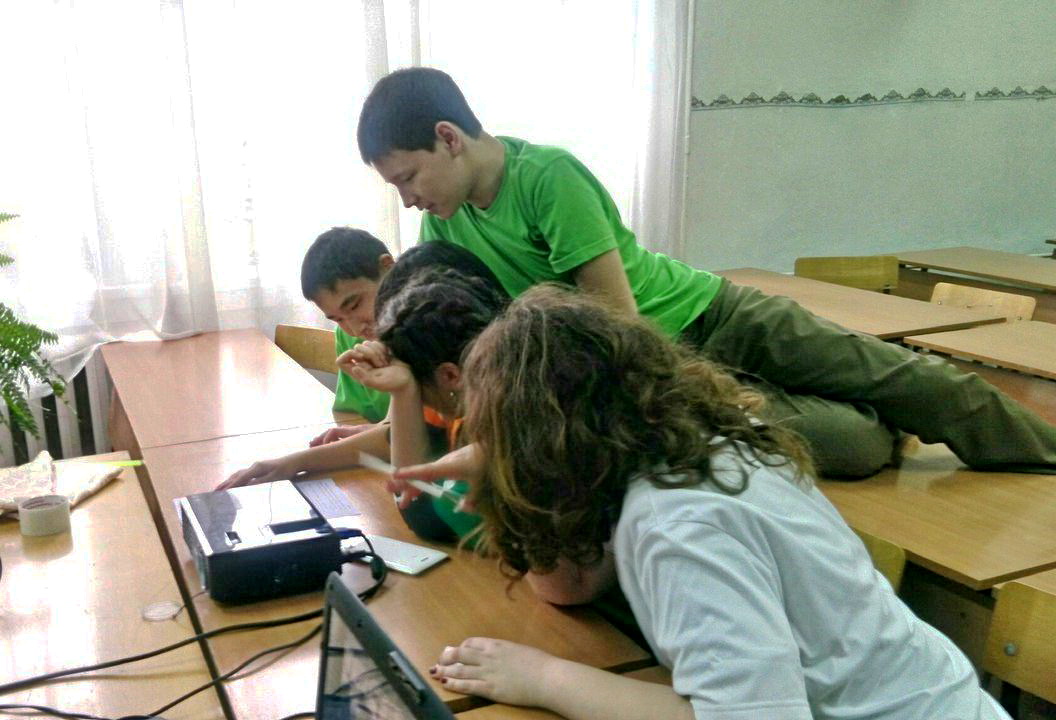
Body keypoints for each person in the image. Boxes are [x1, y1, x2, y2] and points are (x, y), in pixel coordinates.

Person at [357, 66, 1056, 476]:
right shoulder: (444, 223)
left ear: (448, 138)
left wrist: (675, 395)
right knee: (854, 448)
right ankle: (881, 428)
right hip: (668, 368)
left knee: (904, 380)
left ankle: (1044, 451)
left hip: (709, 318)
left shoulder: (546, 178)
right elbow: (456, 322)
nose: (408, 199)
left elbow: (620, 321)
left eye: (408, 177)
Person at [396, 286, 1009, 720]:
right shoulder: (695, 444)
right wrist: (518, 488)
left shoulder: (676, 522)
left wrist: (544, 678)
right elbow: (569, 588)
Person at [219, 242, 504, 543]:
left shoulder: (456, 376)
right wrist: (295, 462)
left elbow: (420, 509)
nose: (357, 329)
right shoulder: (464, 365)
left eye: (355, 305)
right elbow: (403, 442)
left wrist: (404, 392)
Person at [299, 226, 393, 430]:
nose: (355, 330)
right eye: (338, 319)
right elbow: (352, 414)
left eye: (354, 305)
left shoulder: (429, 325)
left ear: (387, 268)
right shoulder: (347, 336)